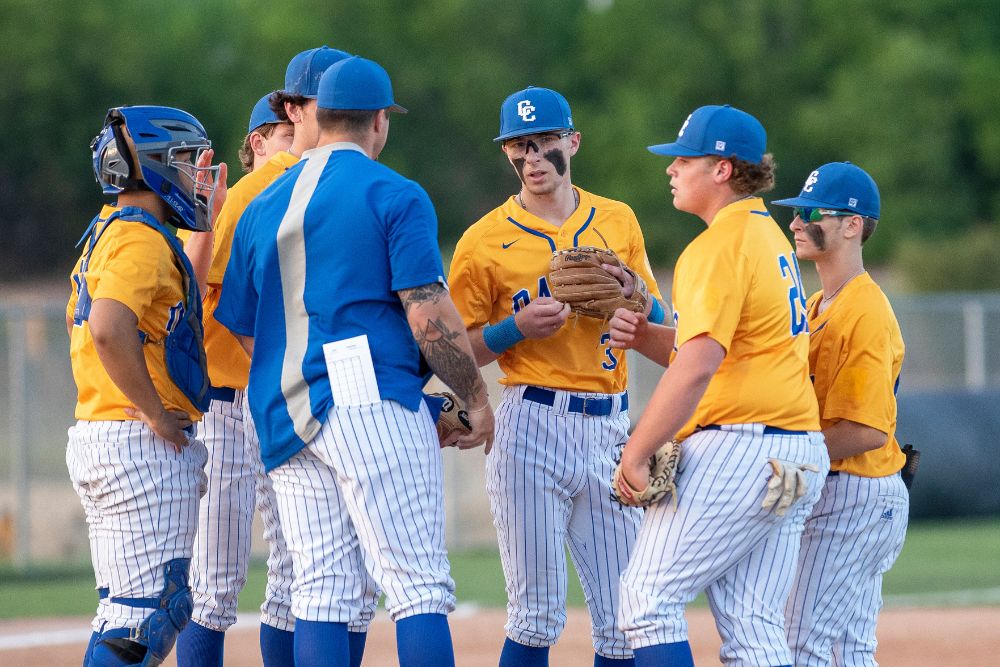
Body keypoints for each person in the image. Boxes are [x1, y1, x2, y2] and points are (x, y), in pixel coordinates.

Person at [214, 55, 493, 667]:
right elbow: (427, 314)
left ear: (318, 115)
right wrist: (473, 396)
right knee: (417, 584)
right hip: (367, 394)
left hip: (283, 407)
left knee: (322, 592)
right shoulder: (393, 192)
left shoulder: (261, 205)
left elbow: (240, 325)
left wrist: (296, 375)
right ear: (378, 121)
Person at [448, 86, 667, 666]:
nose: (533, 156)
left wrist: (635, 297)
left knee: (625, 619)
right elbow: (452, 350)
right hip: (531, 424)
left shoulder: (617, 219)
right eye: (519, 145)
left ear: (572, 141)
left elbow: (665, 317)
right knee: (536, 615)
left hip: (611, 427)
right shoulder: (482, 241)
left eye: (545, 141)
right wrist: (511, 329)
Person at [613, 104, 829, 667]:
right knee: (754, 627)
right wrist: (644, 336)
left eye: (684, 158)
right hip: (798, 451)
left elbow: (700, 362)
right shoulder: (767, 237)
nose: (671, 169)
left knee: (646, 599)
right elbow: (717, 347)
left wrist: (636, 452)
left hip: (742, 449)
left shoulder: (716, 246)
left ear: (722, 169)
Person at [175, 46, 367, 667]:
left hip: (273, 398)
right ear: (262, 136)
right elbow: (217, 306)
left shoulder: (311, 187)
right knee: (224, 579)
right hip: (234, 402)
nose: (300, 137)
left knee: (289, 575)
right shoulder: (244, 197)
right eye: (287, 129)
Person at [67, 105, 224, 666]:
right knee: (147, 612)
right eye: (184, 161)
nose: (195, 175)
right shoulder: (141, 241)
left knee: (124, 610)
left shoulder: (108, 233)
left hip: (103, 430)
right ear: (152, 167)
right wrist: (156, 412)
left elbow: (93, 324)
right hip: (137, 441)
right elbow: (109, 328)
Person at [772, 162, 909, 666]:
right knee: (845, 652)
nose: (795, 223)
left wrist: (787, 453)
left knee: (798, 645)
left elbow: (867, 430)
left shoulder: (865, 312)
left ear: (853, 224)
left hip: (856, 492)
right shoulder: (817, 304)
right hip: (843, 488)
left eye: (810, 213)